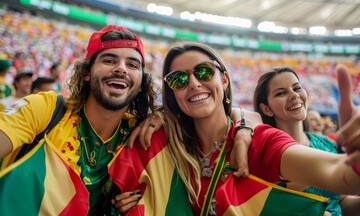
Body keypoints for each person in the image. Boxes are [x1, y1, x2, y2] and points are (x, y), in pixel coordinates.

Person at [113, 42, 360, 215]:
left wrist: (354, 163)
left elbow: (337, 173)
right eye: (179, 79)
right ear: (172, 93)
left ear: (224, 78)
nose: (194, 84)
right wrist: (127, 203)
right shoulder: (166, 145)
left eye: (204, 72)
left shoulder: (257, 141)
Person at [0, 25, 159, 215]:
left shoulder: (138, 134)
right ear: (86, 72)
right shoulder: (45, 108)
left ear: (142, 81)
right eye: (109, 60)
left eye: (132, 65)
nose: (121, 69)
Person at [253, 66, 360, 216]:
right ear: (266, 109)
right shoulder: (267, 153)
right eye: (281, 93)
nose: (293, 95)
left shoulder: (326, 143)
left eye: (297, 88)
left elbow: (339, 202)